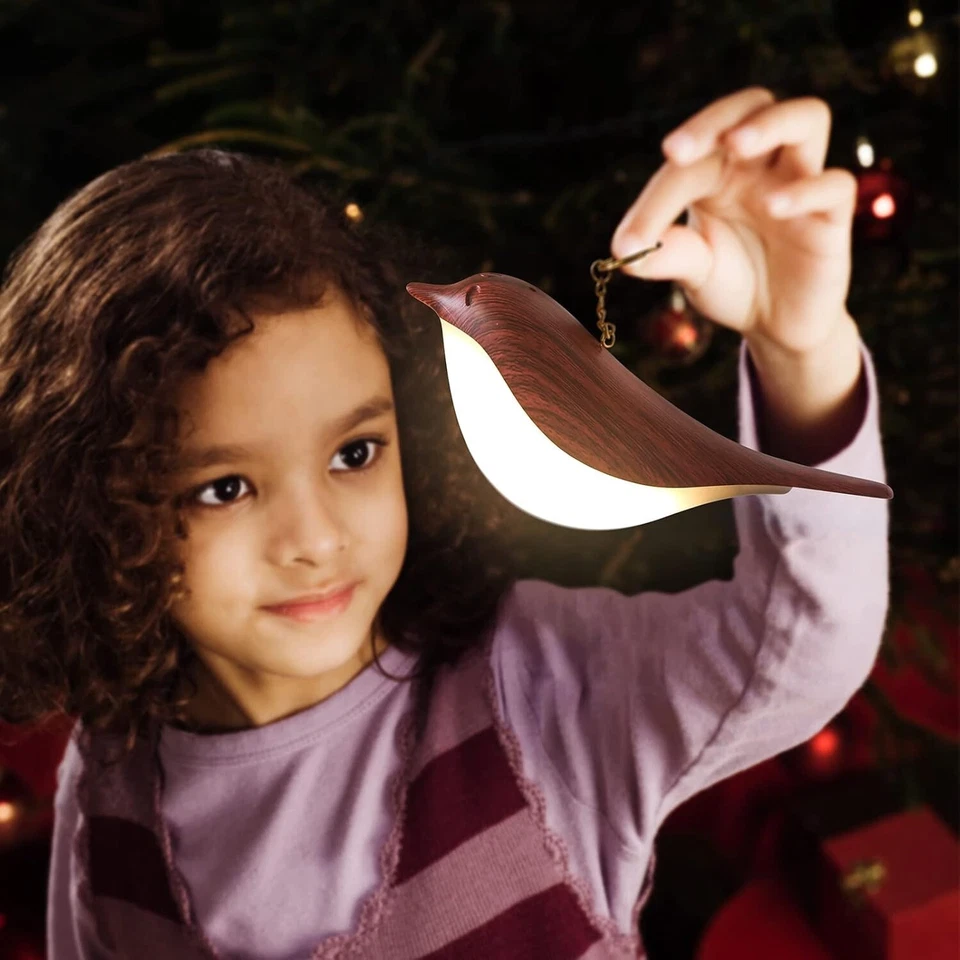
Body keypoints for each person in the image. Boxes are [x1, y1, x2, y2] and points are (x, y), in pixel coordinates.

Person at [0, 86, 888, 959]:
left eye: (355, 454)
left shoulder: (534, 692)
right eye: (225, 487)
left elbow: (798, 647)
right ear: (93, 502)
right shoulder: (106, 788)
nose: (315, 538)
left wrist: (800, 351)